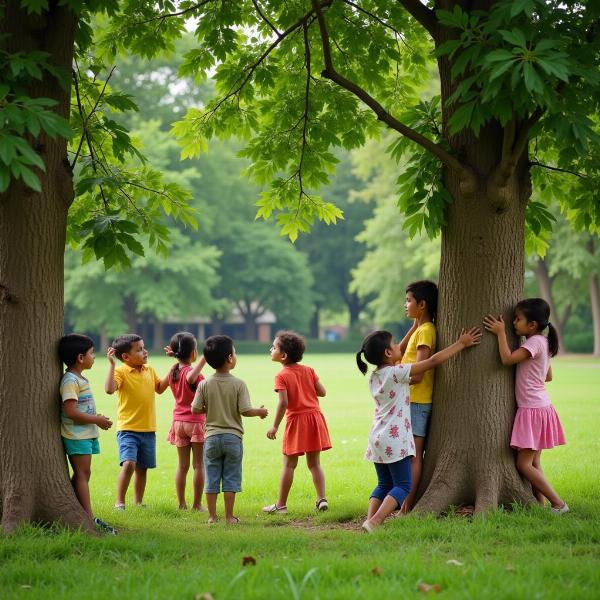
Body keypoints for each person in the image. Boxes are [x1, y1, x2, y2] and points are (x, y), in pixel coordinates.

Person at [356, 326, 481, 533]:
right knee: (403, 485)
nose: (399, 346)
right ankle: (375, 522)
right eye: (395, 344)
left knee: (384, 483)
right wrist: (461, 344)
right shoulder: (398, 372)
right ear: (387, 353)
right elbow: (431, 362)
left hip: (377, 437)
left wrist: (415, 326)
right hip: (394, 439)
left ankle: (368, 522)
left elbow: (396, 353)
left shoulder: (375, 376)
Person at [484, 298, 568, 513]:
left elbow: (507, 359)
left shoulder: (533, 343)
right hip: (542, 407)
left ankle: (559, 504)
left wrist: (500, 333)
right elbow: (548, 376)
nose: (513, 323)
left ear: (532, 325)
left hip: (532, 409)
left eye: (518, 319)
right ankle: (539, 505)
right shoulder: (544, 343)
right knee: (534, 464)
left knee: (523, 465)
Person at [191, 335, 268, 524]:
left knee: (212, 477)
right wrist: (259, 411)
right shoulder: (238, 383)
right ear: (229, 358)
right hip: (233, 438)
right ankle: (229, 517)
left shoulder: (204, 384)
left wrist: (209, 408)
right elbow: (245, 410)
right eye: (235, 351)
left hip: (211, 438)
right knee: (231, 478)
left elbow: (194, 409)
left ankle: (211, 517)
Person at [262, 331, 332, 515]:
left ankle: (281, 505)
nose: (271, 349)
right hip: (315, 418)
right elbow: (322, 392)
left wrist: (275, 425)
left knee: (289, 464)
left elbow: (284, 402)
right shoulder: (309, 370)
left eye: (274, 347)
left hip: (297, 421)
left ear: (283, 355)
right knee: (315, 463)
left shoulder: (281, 375)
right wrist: (305, 388)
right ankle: (321, 499)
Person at [58, 334, 116, 535]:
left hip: (85, 432)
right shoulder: (70, 380)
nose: (94, 357)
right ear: (80, 358)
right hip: (76, 434)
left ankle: (76, 508)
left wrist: (96, 418)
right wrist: (96, 421)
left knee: (85, 474)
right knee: (82, 474)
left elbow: (81, 407)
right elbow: (71, 411)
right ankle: (88, 517)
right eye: (92, 353)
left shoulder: (79, 378)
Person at [105, 334, 169, 510]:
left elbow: (160, 388)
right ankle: (119, 501)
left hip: (148, 429)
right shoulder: (121, 372)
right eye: (139, 350)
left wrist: (174, 369)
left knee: (142, 468)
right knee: (129, 464)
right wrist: (112, 365)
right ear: (125, 357)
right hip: (128, 429)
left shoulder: (149, 370)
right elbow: (110, 389)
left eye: (143, 347)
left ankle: (138, 502)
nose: (145, 352)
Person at [399, 280, 438, 513]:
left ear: (422, 304)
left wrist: (395, 378)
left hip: (417, 402)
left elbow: (420, 373)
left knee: (414, 456)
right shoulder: (420, 329)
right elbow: (399, 351)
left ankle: (406, 507)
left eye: (409, 301)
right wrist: (416, 322)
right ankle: (404, 503)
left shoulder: (427, 331)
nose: (405, 305)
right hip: (409, 401)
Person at [165, 332, 207, 511]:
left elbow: (161, 387)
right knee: (198, 465)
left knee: (182, 466)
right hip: (195, 422)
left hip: (177, 423)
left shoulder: (173, 371)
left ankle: (181, 504)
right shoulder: (193, 374)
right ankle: (197, 505)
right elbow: (191, 378)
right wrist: (205, 359)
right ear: (193, 353)